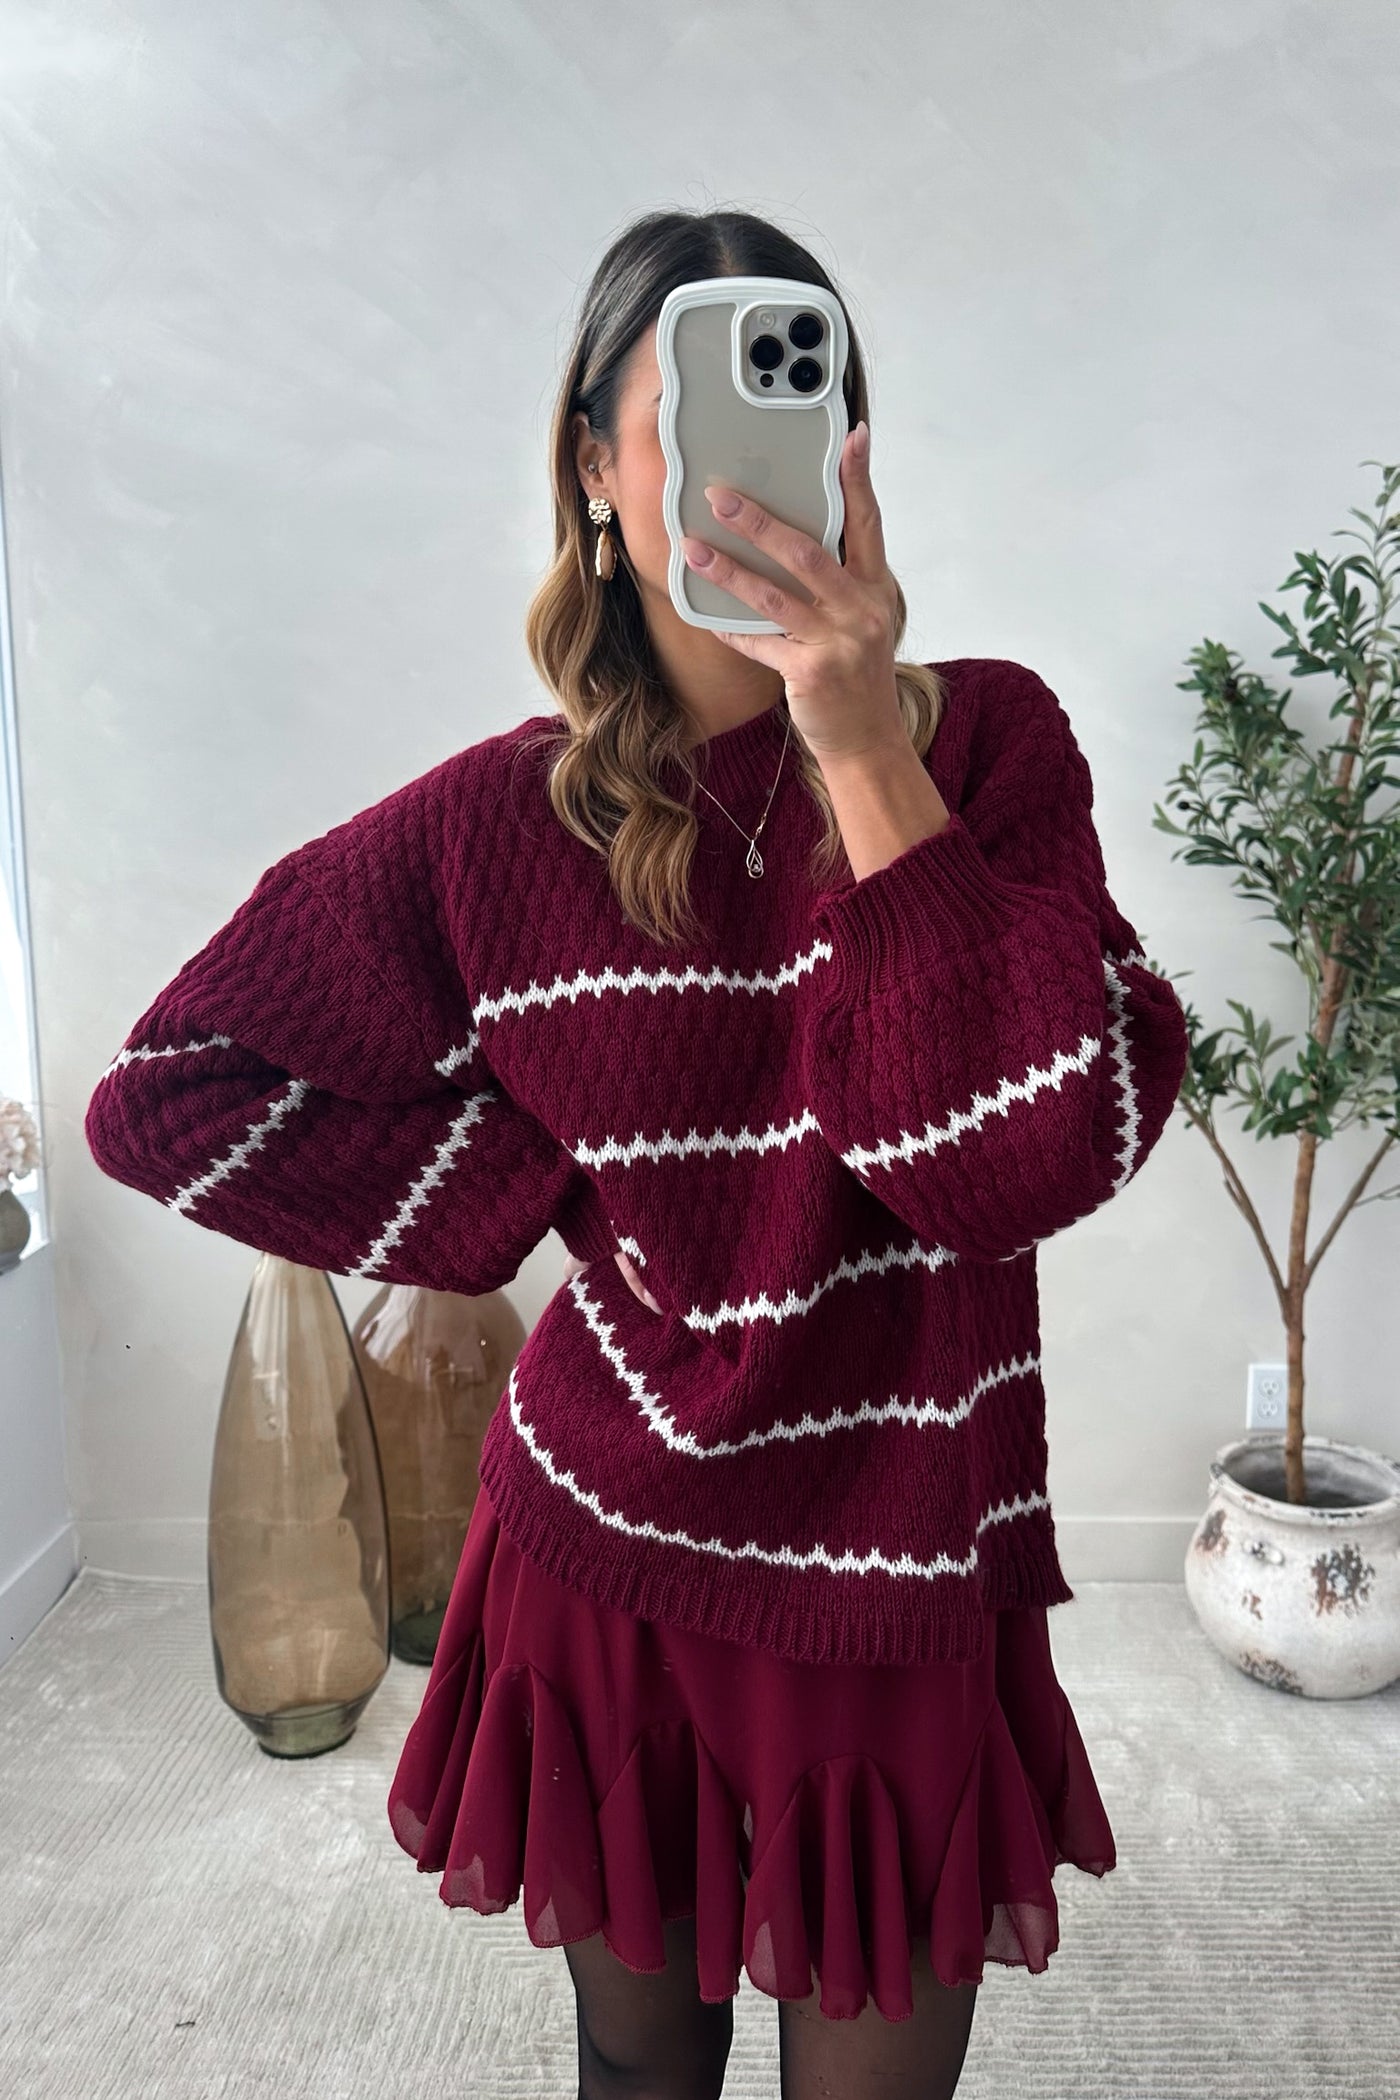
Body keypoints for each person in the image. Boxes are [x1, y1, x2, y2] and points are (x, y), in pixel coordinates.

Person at [85, 207, 1189, 2099]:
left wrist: (859, 743)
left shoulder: (989, 752)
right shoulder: (492, 829)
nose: (749, 464)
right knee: (640, 2075)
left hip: (897, 1574)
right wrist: (538, 1184)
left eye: (802, 401)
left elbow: (1015, 1166)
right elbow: (170, 1090)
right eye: (687, 413)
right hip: (607, 1555)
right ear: (596, 469)